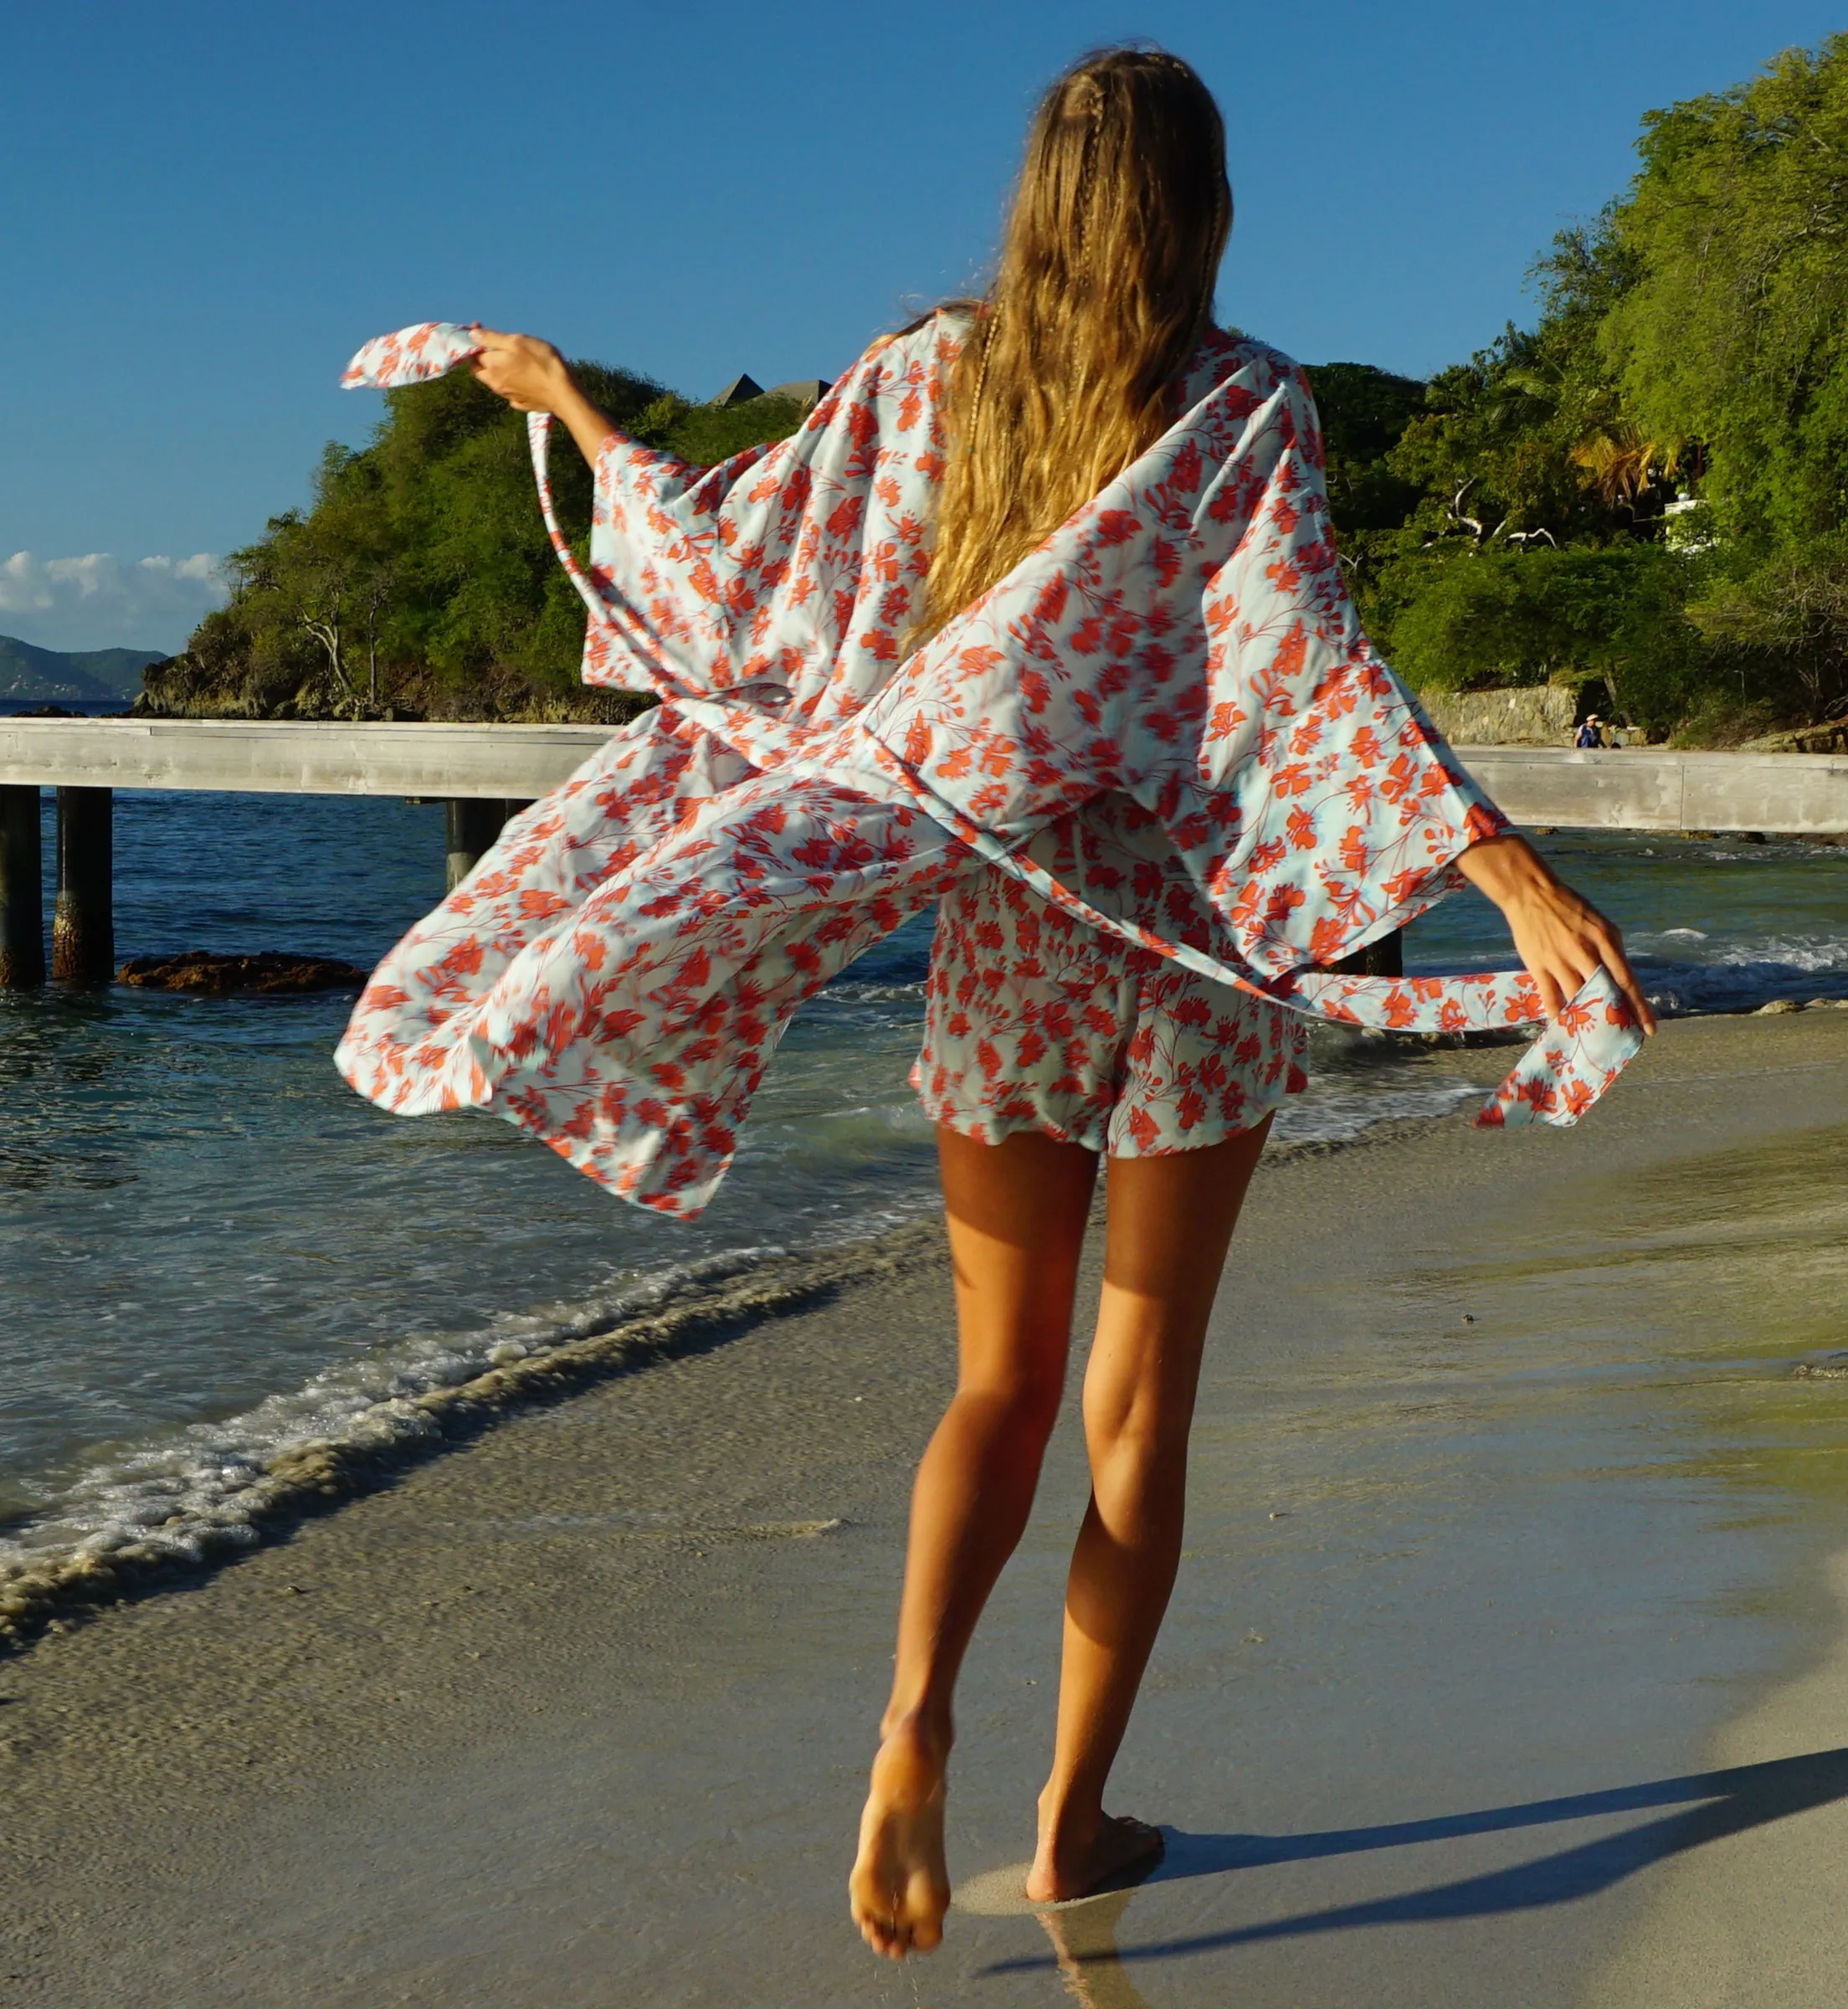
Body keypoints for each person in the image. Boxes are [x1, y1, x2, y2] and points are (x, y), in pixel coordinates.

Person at [337, 43, 1656, 1967]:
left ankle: (912, 1730)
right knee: (1139, 1415)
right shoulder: (1244, 405)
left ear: (1036, 192)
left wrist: (570, 409)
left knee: (996, 1385)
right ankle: (1071, 1818)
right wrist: (1510, 878)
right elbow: (1309, 676)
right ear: (1207, 204)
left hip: (1016, 951)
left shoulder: (931, 379)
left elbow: (741, 585)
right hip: (1187, 957)